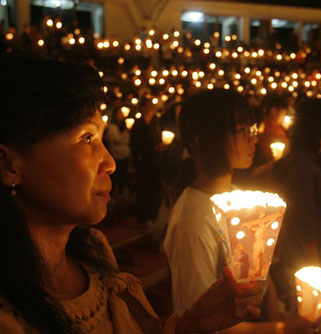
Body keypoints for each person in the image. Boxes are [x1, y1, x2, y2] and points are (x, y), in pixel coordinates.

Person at [0, 55, 263, 334]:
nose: (110, 162)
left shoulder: (94, 252)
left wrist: (190, 325)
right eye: (87, 139)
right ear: (8, 166)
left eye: (101, 139)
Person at [163, 89, 317, 333]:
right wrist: (284, 328)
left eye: (252, 128)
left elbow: (262, 274)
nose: (253, 138)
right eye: (242, 130)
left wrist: (274, 310)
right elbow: (197, 322)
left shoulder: (236, 197)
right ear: (202, 140)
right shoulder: (193, 223)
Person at [272, 98, 321, 333]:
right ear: (317, 123)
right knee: (303, 319)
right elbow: (304, 217)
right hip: (305, 258)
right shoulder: (302, 164)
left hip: (315, 253)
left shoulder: (314, 158)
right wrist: (314, 263)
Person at [106, 106, 131, 197]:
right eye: (119, 113)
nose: (122, 115)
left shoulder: (124, 125)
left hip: (125, 155)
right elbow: (117, 140)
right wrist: (126, 131)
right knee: (115, 176)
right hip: (117, 155)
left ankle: (121, 192)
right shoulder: (112, 127)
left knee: (123, 175)